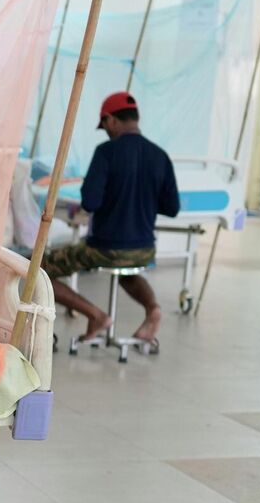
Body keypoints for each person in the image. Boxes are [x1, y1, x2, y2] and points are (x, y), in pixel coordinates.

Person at [44, 91, 179, 344]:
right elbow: (172, 207)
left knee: (38, 269)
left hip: (104, 248)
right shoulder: (160, 155)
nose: (105, 131)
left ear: (111, 120)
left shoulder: (106, 152)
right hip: (144, 249)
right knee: (127, 272)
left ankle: (95, 315)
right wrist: (142, 200)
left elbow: (90, 203)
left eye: (104, 125)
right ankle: (153, 309)